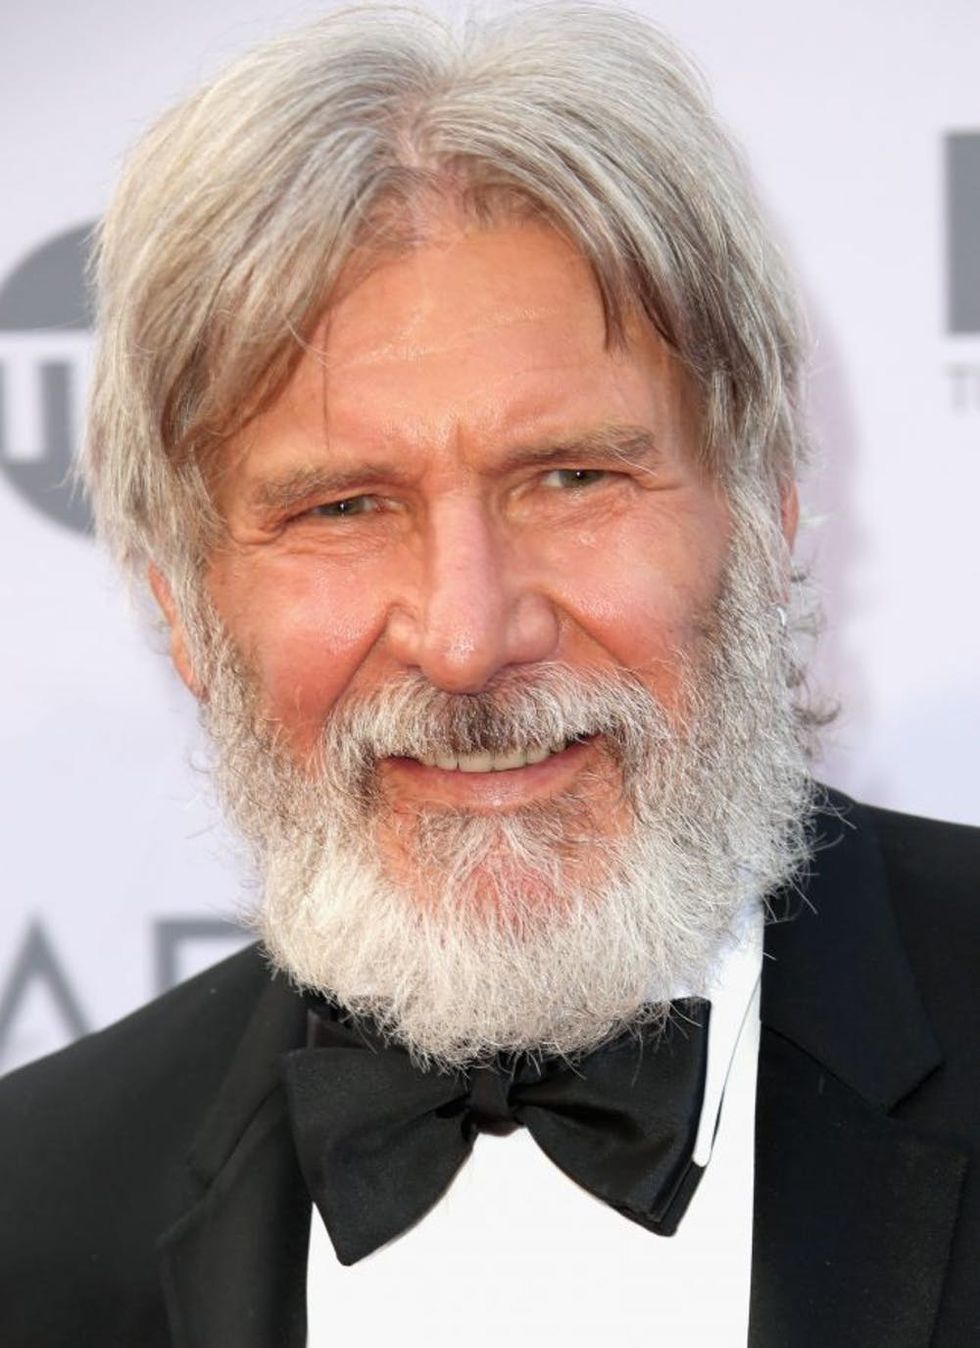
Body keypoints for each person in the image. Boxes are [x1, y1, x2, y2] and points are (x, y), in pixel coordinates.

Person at [1, 4, 976, 1345]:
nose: (469, 637)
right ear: (181, 606)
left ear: (767, 505)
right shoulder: (33, 1209)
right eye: (343, 507)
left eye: (573, 478)